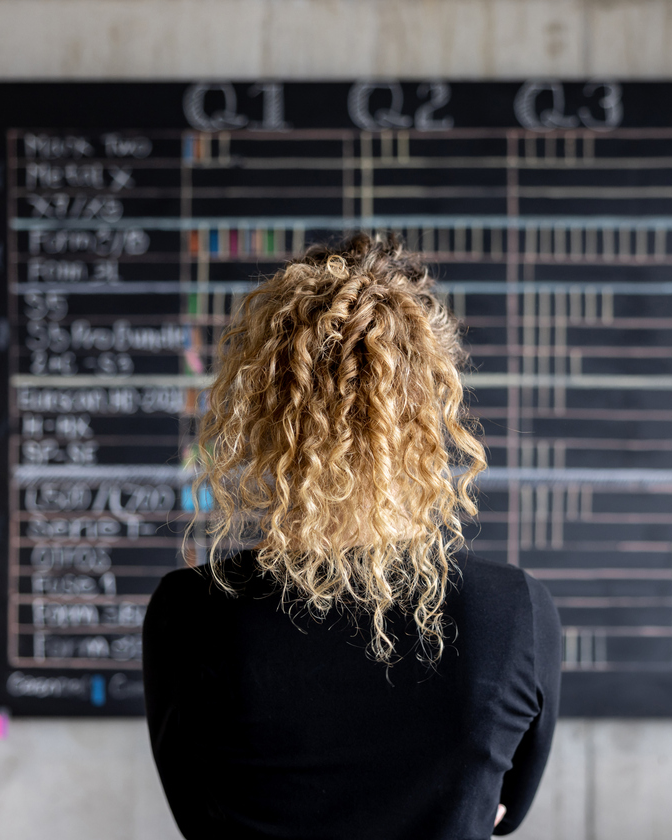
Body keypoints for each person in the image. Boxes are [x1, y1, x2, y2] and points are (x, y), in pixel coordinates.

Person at [143, 233, 561, 839]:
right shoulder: (512, 611)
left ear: (262, 409)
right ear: (427, 408)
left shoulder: (189, 613)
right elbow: (505, 813)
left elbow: (195, 816)